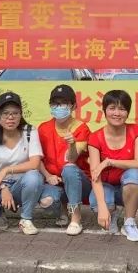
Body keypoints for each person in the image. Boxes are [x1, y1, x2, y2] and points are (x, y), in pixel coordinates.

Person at [0, 92, 61, 235]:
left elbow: (34, 163)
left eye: (15, 113)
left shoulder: (29, 131)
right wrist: (2, 187)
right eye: (6, 113)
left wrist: (7, 170)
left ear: (21, 114)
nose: (10, 117)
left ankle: (26, 219)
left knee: (35, 177)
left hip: (22, 183)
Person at [87, 89, 138, 241]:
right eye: (112, 108)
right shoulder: (95, 137)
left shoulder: (136, 130)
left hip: (128, 186)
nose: (117, 113)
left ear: (128, 112)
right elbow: (95, 175)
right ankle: (111, 213)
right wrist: (102, 207)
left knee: (134, 174)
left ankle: (129, 222)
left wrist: (109, 161)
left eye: (122, 109)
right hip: (105, 186)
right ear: (104, 111)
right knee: (102, 209)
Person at [36, 84, 90, 235]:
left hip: (78, 181)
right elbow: (37, 158)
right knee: (47, 202)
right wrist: (48, 175)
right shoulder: (43, 128)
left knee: (69, 169)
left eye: (64, 103)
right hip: (54, 181)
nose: (59, 107)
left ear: (73, 106)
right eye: (55, 103)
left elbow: (71, 159)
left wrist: (72, 144)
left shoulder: (81, 128)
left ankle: (75, 217)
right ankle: (62, 209)